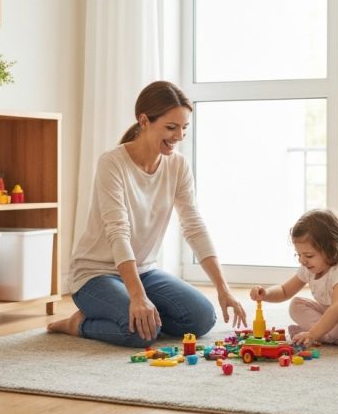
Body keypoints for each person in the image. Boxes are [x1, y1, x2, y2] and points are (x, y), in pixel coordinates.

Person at [48, 81, 247, 347]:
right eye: (171, 127)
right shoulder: (112, 163)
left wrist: (224, 289)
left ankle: (138, 311)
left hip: (144, 270)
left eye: (184, 128)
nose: (179, 136)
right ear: (144, 121)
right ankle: (78, 323)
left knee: (202, 318)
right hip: (95, 275)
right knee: (141, 333)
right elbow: (118, 232)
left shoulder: (178, 165)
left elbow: (194, 226)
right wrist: (138, 297)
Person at [250, 209, 338, 349]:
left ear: (331, 249)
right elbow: (284, 291)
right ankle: (337, 338)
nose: (302, 261)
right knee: (296, 305)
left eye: (309, 256)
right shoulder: (309, 268)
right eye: (298, 254)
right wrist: (266, 294)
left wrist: (312, 333)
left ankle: (321, 335)